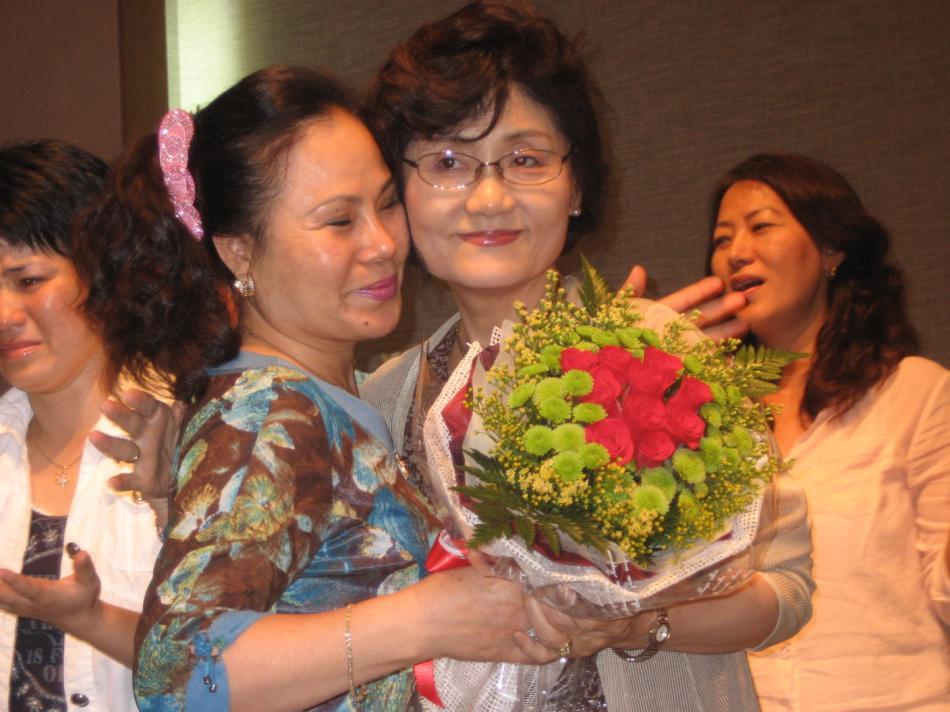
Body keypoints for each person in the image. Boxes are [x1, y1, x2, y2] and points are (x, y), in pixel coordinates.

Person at [361, 2, 814, 710]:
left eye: (526, 159)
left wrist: (639, 623)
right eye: (447, 162)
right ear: (400, 196)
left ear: (575, 186)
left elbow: (785, 591)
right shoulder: (381, 401)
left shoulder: (657, 355)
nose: (489, 197)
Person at [74, 65, 567, 712]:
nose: (383, 244)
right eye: (338, 221)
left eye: (386, 204)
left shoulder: (329, 394)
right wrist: (422, 621)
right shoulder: (269, 411)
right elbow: (176, 677)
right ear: (239, 252)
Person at [708, 152, 950, 710]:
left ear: (831, 251)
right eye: (722, 239)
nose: (736, 251)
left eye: (760, 227)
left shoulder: (913, 394)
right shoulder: (705, 416)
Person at [0, 139, 176, 712]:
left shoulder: (188, 433)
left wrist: (94, 619)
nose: (4, 315)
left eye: (28, 280)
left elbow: (235, 662)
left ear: (105, 272)